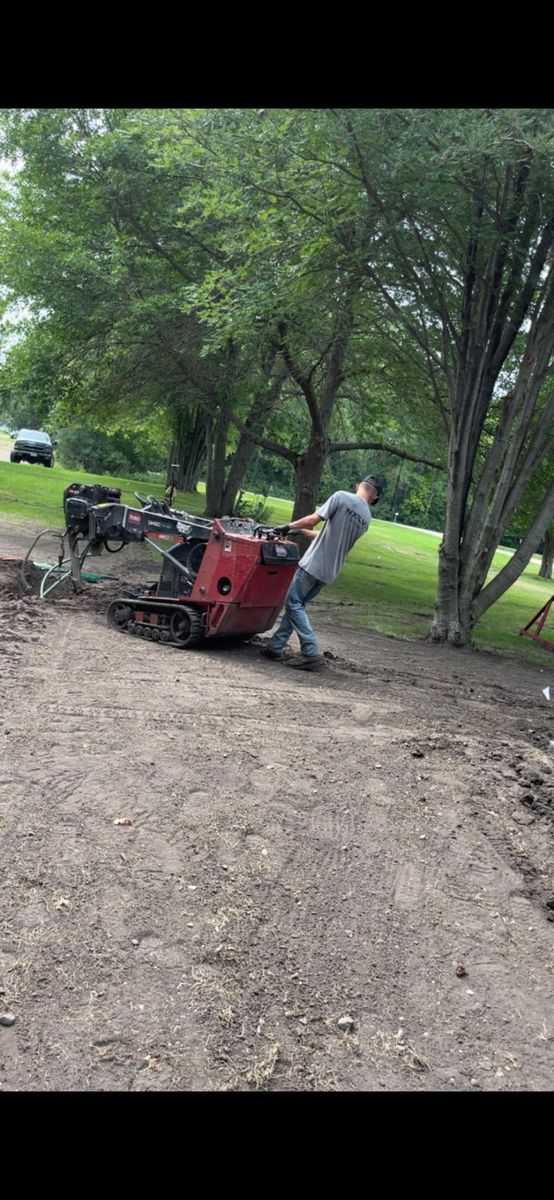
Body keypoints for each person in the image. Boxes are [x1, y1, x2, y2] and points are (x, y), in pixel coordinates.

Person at [261, 475, 382, 672]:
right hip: (329, 572)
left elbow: (313, 520)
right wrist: (300, 533)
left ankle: (311, 652)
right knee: (297, 606)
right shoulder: (366, 519)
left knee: (292, 603)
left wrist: (288, 526)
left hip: (313, 565)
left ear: (358, 485)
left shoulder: (341, 497)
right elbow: (329, 535)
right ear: (374, 498)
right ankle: (275, 647)